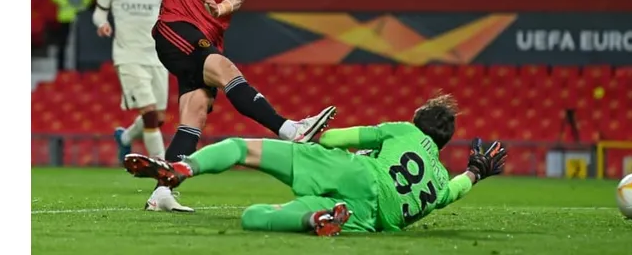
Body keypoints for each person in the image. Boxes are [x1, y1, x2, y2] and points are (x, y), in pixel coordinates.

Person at [87, 0, 336, 212]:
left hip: (206, 36)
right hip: (174, 28)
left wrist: (225, 6)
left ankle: (162, 193)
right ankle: (290, 129)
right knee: (224, 68)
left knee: (195, 114)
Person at [123, 93, 508, 235]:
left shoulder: (403, 131)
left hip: (354, 172)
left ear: (418, 119)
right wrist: (476, 171)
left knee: (241, 148)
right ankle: (316, 219)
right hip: (367, 218)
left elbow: (332, 140)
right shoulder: (439, 181)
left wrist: (327, 139)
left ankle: (182, 169)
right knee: (254, 217)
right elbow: (457, 188)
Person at [92, 0, 168, 163]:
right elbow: (99, 13)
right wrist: (102, 24)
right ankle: (160, 165)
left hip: (158, 57)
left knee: (159, 117)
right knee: (150, 114)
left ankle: (125, 137)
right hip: (128, 56)